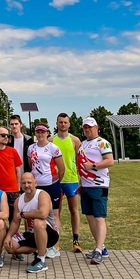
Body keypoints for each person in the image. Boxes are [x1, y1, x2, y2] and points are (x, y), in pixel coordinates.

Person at [4, 172, 59, 274]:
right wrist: (8, 236)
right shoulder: (18, 200)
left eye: (29, 182)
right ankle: (38, 249)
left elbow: (43, 214)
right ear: (20, 184)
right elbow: (15, 222)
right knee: (9, 247)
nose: (27, 185)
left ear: (35, 183)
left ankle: (41, 260)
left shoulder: (42, 195)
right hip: (32, 233)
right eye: (24, 183)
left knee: (38, 222)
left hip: (50, 234)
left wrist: (24, 214)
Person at [77, 117, 115, 265]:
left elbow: (109, 161)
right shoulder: (83, 144)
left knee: (99, 217)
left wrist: (93, 166)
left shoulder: (102, 142)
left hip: (99, 185)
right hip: (86, 186)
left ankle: (99, 250)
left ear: (96, 127)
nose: (87, 130)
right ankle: (101, 247)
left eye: (90, 127)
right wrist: (82, 183)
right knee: (90, 217)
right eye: (85, 127)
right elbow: (81, 165)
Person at [28, 124, 65, 258]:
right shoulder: (31, 148)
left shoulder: (53, 148)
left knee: (54, 214)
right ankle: (39, 244)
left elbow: (61, 168)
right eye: (38, 132)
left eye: (43, 132)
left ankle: (55, 246)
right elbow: (31, 165)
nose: (40, 134)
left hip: (52, 185)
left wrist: (55, 182)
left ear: (47, 133)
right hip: (37, 187)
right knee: (37, 215)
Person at [53, 112, 83, 252]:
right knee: (56, 211)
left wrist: (81, 178)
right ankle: (56, 241)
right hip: (55, 180)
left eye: (65, 122)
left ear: (69, 124)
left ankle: (76, 240)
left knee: (74, 210)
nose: (63, 124)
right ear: (57, 123)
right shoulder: (51, 140)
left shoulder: (75, 141)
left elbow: (80, 160)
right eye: (60, 122)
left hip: (71, 179)